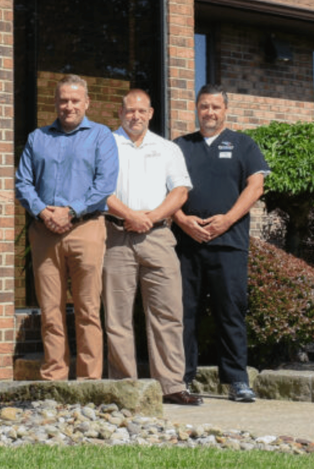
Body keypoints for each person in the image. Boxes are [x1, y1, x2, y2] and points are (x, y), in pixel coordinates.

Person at [15, 74, 119, 380]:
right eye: (63, 100)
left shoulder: (101, 136)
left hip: (86, 228)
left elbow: (105, 185)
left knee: (88, 309)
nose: (68, 106)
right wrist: (43, 212)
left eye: (75, 100)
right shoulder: (38, 138)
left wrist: (71, 212)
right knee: (50, 309)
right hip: (45, 230)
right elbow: (23, 182)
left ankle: (89, 380)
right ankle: (54, 376)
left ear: (86, 102)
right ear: (55, 102)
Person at [103, 89, 202, 406]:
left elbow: (180, 192)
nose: (135, 116)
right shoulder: (105, 145)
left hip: (158, 237)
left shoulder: (167, 149)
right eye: (129, 110)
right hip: (115, 236)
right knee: (117, 316)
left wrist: (151, 218)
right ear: (120, 113)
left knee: (168, 312)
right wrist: (130, 216)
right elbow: (100, 189)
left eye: (141, 111)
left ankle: (172, 385)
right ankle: (123, 386)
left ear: (151, 113)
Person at [173, 84, 269, 402]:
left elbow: (255, 187)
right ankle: (182, 379)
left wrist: (227, 220)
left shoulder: (244, 145)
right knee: (185, 313)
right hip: (187, 245)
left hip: (229, 245)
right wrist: (183, 220)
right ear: (196, 108)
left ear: (225, 109)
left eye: (215, 107)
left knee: (230, 312)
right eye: (204, 106)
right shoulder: (180, 147)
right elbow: (166, 190)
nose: (209, 112)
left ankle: (237, 381)